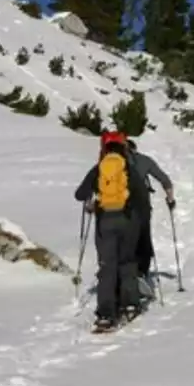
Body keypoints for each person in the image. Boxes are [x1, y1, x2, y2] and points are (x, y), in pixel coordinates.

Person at [74, 131, 151, 330]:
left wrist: (96, 201)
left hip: (105, 222)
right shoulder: (128, 168)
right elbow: (141, 196)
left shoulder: (99, 168)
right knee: (127, 262)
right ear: (123, 147)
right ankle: (130, 304)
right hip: (127, 221)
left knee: (107, 266)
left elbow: (80, 194)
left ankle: (106, 314)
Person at [126, 139, 176, 283]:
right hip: (142, 207)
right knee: (143, 238)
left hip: (118, 208)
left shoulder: (110, 162)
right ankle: (142, 272)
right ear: (135, 149)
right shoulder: (144, 160)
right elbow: (165, 180)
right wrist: (170, 199)